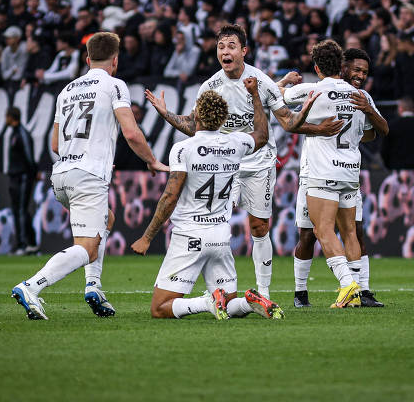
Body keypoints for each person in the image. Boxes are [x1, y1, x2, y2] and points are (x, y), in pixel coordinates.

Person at [145, 24, 341, 299]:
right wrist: (167, 114)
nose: (225, 51)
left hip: (259, 162)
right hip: (225, 164)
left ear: (244, 51)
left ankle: (263, 292)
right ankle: (216, 288)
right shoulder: (210, 86)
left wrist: (312, 121)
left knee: (259, 227)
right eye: (221, 47)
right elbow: (193, 126)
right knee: (215, 223)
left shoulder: (261, 81)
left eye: (231, 46)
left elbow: (288, 121)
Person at [12, 32, 168, 320]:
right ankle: (31, 286)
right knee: (87, 248)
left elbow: (55, 145)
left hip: (60, 175)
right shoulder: (114, 85)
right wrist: (153, 161)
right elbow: (131, 133)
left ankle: (93, 287)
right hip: (88, 176)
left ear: (87, 59)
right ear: (116, 61)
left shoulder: (67, 90)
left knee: (105, 220)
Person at [132, 81, 316, 319]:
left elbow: (170, 196)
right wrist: (255, 98)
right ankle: (249, 302)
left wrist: (146, 238)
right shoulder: (236, 143)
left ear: (197, 113)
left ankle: (207, 302)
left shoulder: (183, 148)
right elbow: (261, 134)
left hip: (190, 235)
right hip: (220, 237)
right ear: (223, 118)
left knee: (159, 308)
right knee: (229, 305)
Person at [279, 48, 389, 308]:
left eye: (365, 71)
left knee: (320, 230)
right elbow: (377, 131)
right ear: (342, 66)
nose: (360, 75)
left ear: (316, 67)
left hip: (319, 173)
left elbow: (275, 97)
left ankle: (350, 286)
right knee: (344, 231)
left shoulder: (312, 90)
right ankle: (307, 293)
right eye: (357, 69)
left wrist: (284, 83)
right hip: (349, 172)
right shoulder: (360, 95)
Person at [5, 107, 39, 255]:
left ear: (11, 117)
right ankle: (29, 243)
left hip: (23, 176)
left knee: (20, 210)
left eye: (6, 116)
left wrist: (33, 173)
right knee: (18, 210)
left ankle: (23, 245)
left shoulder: (22, 133)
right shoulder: (14, 134)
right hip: (15, 176)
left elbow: (29, 156)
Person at [382, 97, 414, 169]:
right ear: (413, 109)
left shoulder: (392, 125)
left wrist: (388, 165)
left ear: (400, 108)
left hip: (396, 166)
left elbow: (384, 149)